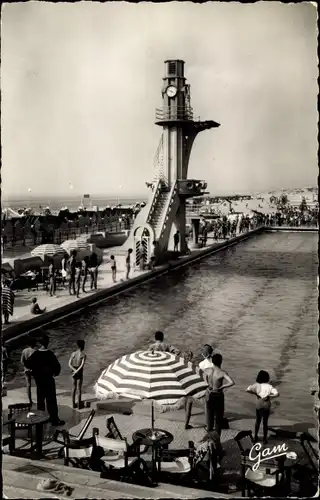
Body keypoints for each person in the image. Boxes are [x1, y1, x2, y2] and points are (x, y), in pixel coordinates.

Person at [25, 334, 65, 426]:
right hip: (48, 380)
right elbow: (57, 368)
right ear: (47, 343)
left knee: (40, 400)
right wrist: (54, 373)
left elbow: (27, 364)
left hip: (39, 380)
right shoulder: (50, 354)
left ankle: (40, 419)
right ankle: (54, 419)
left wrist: (34, 371)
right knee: (51, 400)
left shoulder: (35, 354)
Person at [205, 353, 235, 435]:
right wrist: (222, 387)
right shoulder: (222, 373)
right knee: (218, 418)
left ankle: (209, 435)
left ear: (212, 361)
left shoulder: (208, 370)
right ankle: (217, 438)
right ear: (221, 362)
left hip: (209, 394)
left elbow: (202, 375)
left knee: (209, 416)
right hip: (218, 396)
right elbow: (232, 382)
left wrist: (207, 387)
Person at [185, 344, 214, 429]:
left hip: (192, 386)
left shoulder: (201, 364)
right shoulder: (214, 363)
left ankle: (186, 424)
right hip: (209, 387)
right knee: (206, 405)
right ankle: (208, 424)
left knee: (189, 404)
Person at [246, 370, 279, 444]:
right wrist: (269, 396)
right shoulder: (269, 386)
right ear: (267, 378)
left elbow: (247, 390)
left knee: (257, 421)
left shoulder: (256, 385)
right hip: (266, 404)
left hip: (259, 403)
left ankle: (255, 437)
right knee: (265, 422)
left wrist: (255, 394)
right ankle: (264, 439)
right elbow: (277, 394)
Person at [68, 340, 86, 409]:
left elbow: (69, 364)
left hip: (73, 370)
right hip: (79, 371)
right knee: (79, 388)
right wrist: (77, 371)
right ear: (83, 346)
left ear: (77, 346)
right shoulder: (83, 355)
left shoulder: (73, 354)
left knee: (74, 388)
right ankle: (79, 405)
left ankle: (73, 404)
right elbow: (82, 365)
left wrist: (74, 370)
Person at [21, 337, 37, 404]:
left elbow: (22, 361)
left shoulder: (24, 351)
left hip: (26, 369)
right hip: (33, 370)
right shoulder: (35, 351)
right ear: (34, 344)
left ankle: (30, 400)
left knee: (28, 385)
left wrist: (26, 366)